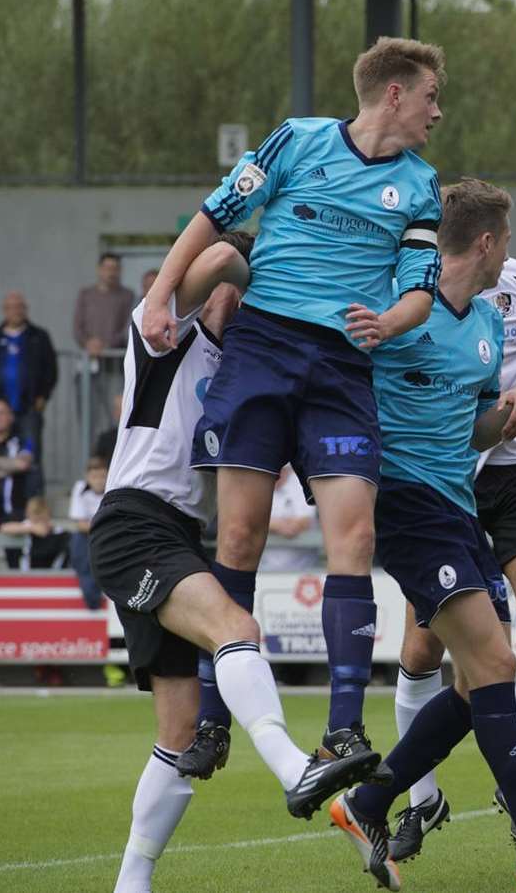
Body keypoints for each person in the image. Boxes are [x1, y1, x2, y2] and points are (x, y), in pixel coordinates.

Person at [153, 37, 446, 773]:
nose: (438, 112)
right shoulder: (297, 139)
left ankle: (343, 728)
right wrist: (161, 293)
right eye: (432, 96)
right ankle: (214, 723)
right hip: (262, 351)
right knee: (239, 539)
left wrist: (393, 320)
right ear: (394, 94)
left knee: (354, 541)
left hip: (343, 370)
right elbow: (214, 215)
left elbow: (420, 284)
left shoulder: (421, 184)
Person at [327, 179, 516, 893]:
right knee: (494, 666)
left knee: (475, 679)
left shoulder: (488, 331)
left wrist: (510, 417)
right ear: (486, 244)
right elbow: (334, 382)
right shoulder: (395, 308)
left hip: (456, 506)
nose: (510, 255)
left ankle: (367, 804)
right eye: (509, 242)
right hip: (402, 503)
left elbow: (472, 428)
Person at [91, 236, 384, 893]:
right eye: (249, 294)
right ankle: (292, 770)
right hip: (133, 522)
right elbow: (221, 256)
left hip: (178, 536)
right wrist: (272, 269)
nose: (247, 304)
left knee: (178, 733)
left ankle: (129, 884)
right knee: (238, 630)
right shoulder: (164, 330)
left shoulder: (246, 371)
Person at [0, 291, 57, 483]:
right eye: (11, 307)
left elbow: (51, 370)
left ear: (25, 310)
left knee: (31, 453)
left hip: (28, 408)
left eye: (19, 307)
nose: (16, 311)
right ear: (4, 310)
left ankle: (34, 503)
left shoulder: (39, 337)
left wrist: (43, 396)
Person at [74, 252, 135, 438]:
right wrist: (88, 343)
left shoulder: (127, 296)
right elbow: (77, 326)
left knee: (115, 414)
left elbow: (127, 327)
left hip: (114, 366)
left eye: (115, 268)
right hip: (88, 366)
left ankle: (111, 460)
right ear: (99, 270)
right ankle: (90, 461)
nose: (111, 272)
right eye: (107, 268)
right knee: (87, 417)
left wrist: (105, 347)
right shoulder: (86, 294)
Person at [258, 465, 320, 573]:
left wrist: (268, 524)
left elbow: (303, 522)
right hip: (262, 568)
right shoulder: (256, 482)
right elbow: (248, 519)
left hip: (304, 569)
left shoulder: (300, 482)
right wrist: (277, 525)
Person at [0, 396, 33, 530]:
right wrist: (8, 468)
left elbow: (23, 464)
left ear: (11, 416)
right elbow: (16, 466)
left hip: (14, 517)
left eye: (1, 413)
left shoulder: (23, 441)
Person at [68, 455, 109, 608]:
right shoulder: (80, 488)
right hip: (89, 536)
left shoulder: (115, 488)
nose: (98, 480)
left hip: (109, 537)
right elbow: (80, 525)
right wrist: (102, 526)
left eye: (102, 476)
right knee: (79, 543)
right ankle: (92, 597)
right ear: (87, 477)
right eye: (94, 476)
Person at [0, 496, 69, 570]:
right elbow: (4, 528)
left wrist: (47, 530)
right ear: (28, 514)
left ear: (48, 514)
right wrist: (32, 529)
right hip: (27, 569)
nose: (39, 520)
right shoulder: (27, 524)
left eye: (42, 517)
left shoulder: (56, 529)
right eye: (36, 517)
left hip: (51, 569)